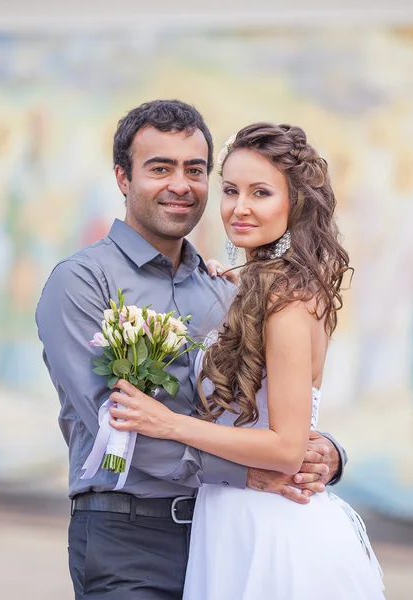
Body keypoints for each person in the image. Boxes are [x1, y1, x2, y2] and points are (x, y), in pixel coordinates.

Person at [36, 100, 346, 600]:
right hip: (129, 539)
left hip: (222, 537)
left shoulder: (231, 292)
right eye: (160, 168)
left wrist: (325, 452)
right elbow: (112, 430)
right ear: (122, 177)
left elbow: (258, 409)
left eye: (195, 170)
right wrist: (251, 472)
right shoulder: (82, 282)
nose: (181, 184)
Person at [108, 123, 385, 599]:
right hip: (228, 520)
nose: (240, 207)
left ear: (294, 202)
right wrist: (226, 287)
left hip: (273, 526)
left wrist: (169, 424)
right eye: (231, 190)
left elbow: (285, 449)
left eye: (261, 192)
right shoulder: (252, 289)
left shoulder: (289, 303)